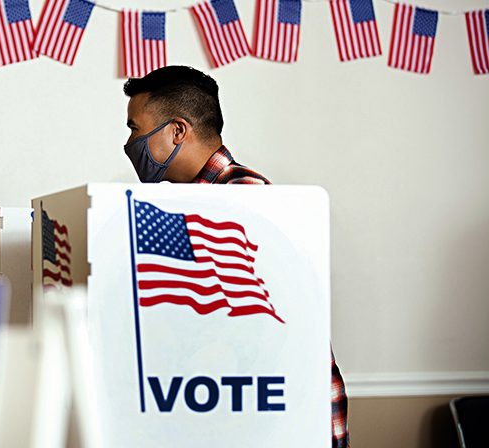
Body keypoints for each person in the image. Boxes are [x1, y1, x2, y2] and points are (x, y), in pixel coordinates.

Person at [123, 65, 350, 447]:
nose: (131, 141)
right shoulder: (188, 202)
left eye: (135, 128)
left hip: (286, 417)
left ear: (177, 130)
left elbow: (262, 335)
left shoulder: (244, 197)